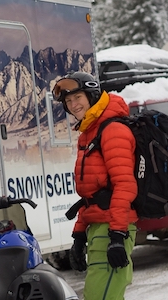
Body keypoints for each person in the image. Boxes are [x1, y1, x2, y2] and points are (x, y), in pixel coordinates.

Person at [52, 72, 138, 300]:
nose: (73, 105)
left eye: (77, 98)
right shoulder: (88, 133)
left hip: (112, 227)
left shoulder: (112, 131)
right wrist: (79, 237)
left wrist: (118, 236)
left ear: (91, 95)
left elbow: (124, 185)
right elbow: (91, 193)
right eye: (68, 102)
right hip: (98, 227)